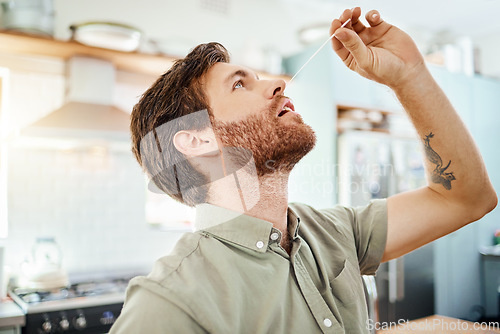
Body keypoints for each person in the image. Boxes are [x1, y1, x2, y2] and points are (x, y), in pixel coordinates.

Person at [110, 7, 497, 334]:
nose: (277, 84)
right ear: (197, 140)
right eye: (240, 85)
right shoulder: (169, 303)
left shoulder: (334, 232)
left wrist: (409, 76)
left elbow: (466, 198)